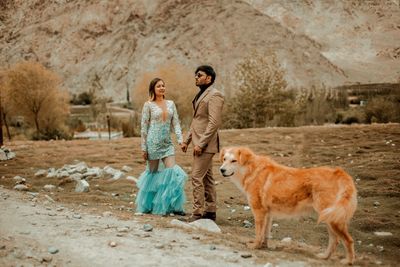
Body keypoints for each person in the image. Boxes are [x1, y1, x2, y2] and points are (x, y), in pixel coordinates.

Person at [135, 77, 187, 216]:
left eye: (163, 85)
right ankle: (147, 206)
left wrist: (181, 141)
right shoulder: (148, 105)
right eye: (159, 86)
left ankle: (172, 206)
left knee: (172, 173)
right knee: (152, 174)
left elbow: (176, 123)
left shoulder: (171, 104)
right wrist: (143, 148)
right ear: (153, 89)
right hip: (152, 143)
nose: (162, 88)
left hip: (167, 144)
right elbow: (144, 127)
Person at [181, 65, 224, 222]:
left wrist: (201, 144)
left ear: (209, 78)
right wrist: (187, 140)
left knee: (196, 177)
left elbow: (214, 123)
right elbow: (197, 121)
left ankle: (197, 213)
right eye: (195, 75)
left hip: (205, 144)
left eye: (199, 75)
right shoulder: (200, 95)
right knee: (207, 178)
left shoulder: (215, 95)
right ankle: (210, 212)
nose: (196, 77)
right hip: (198, 142)